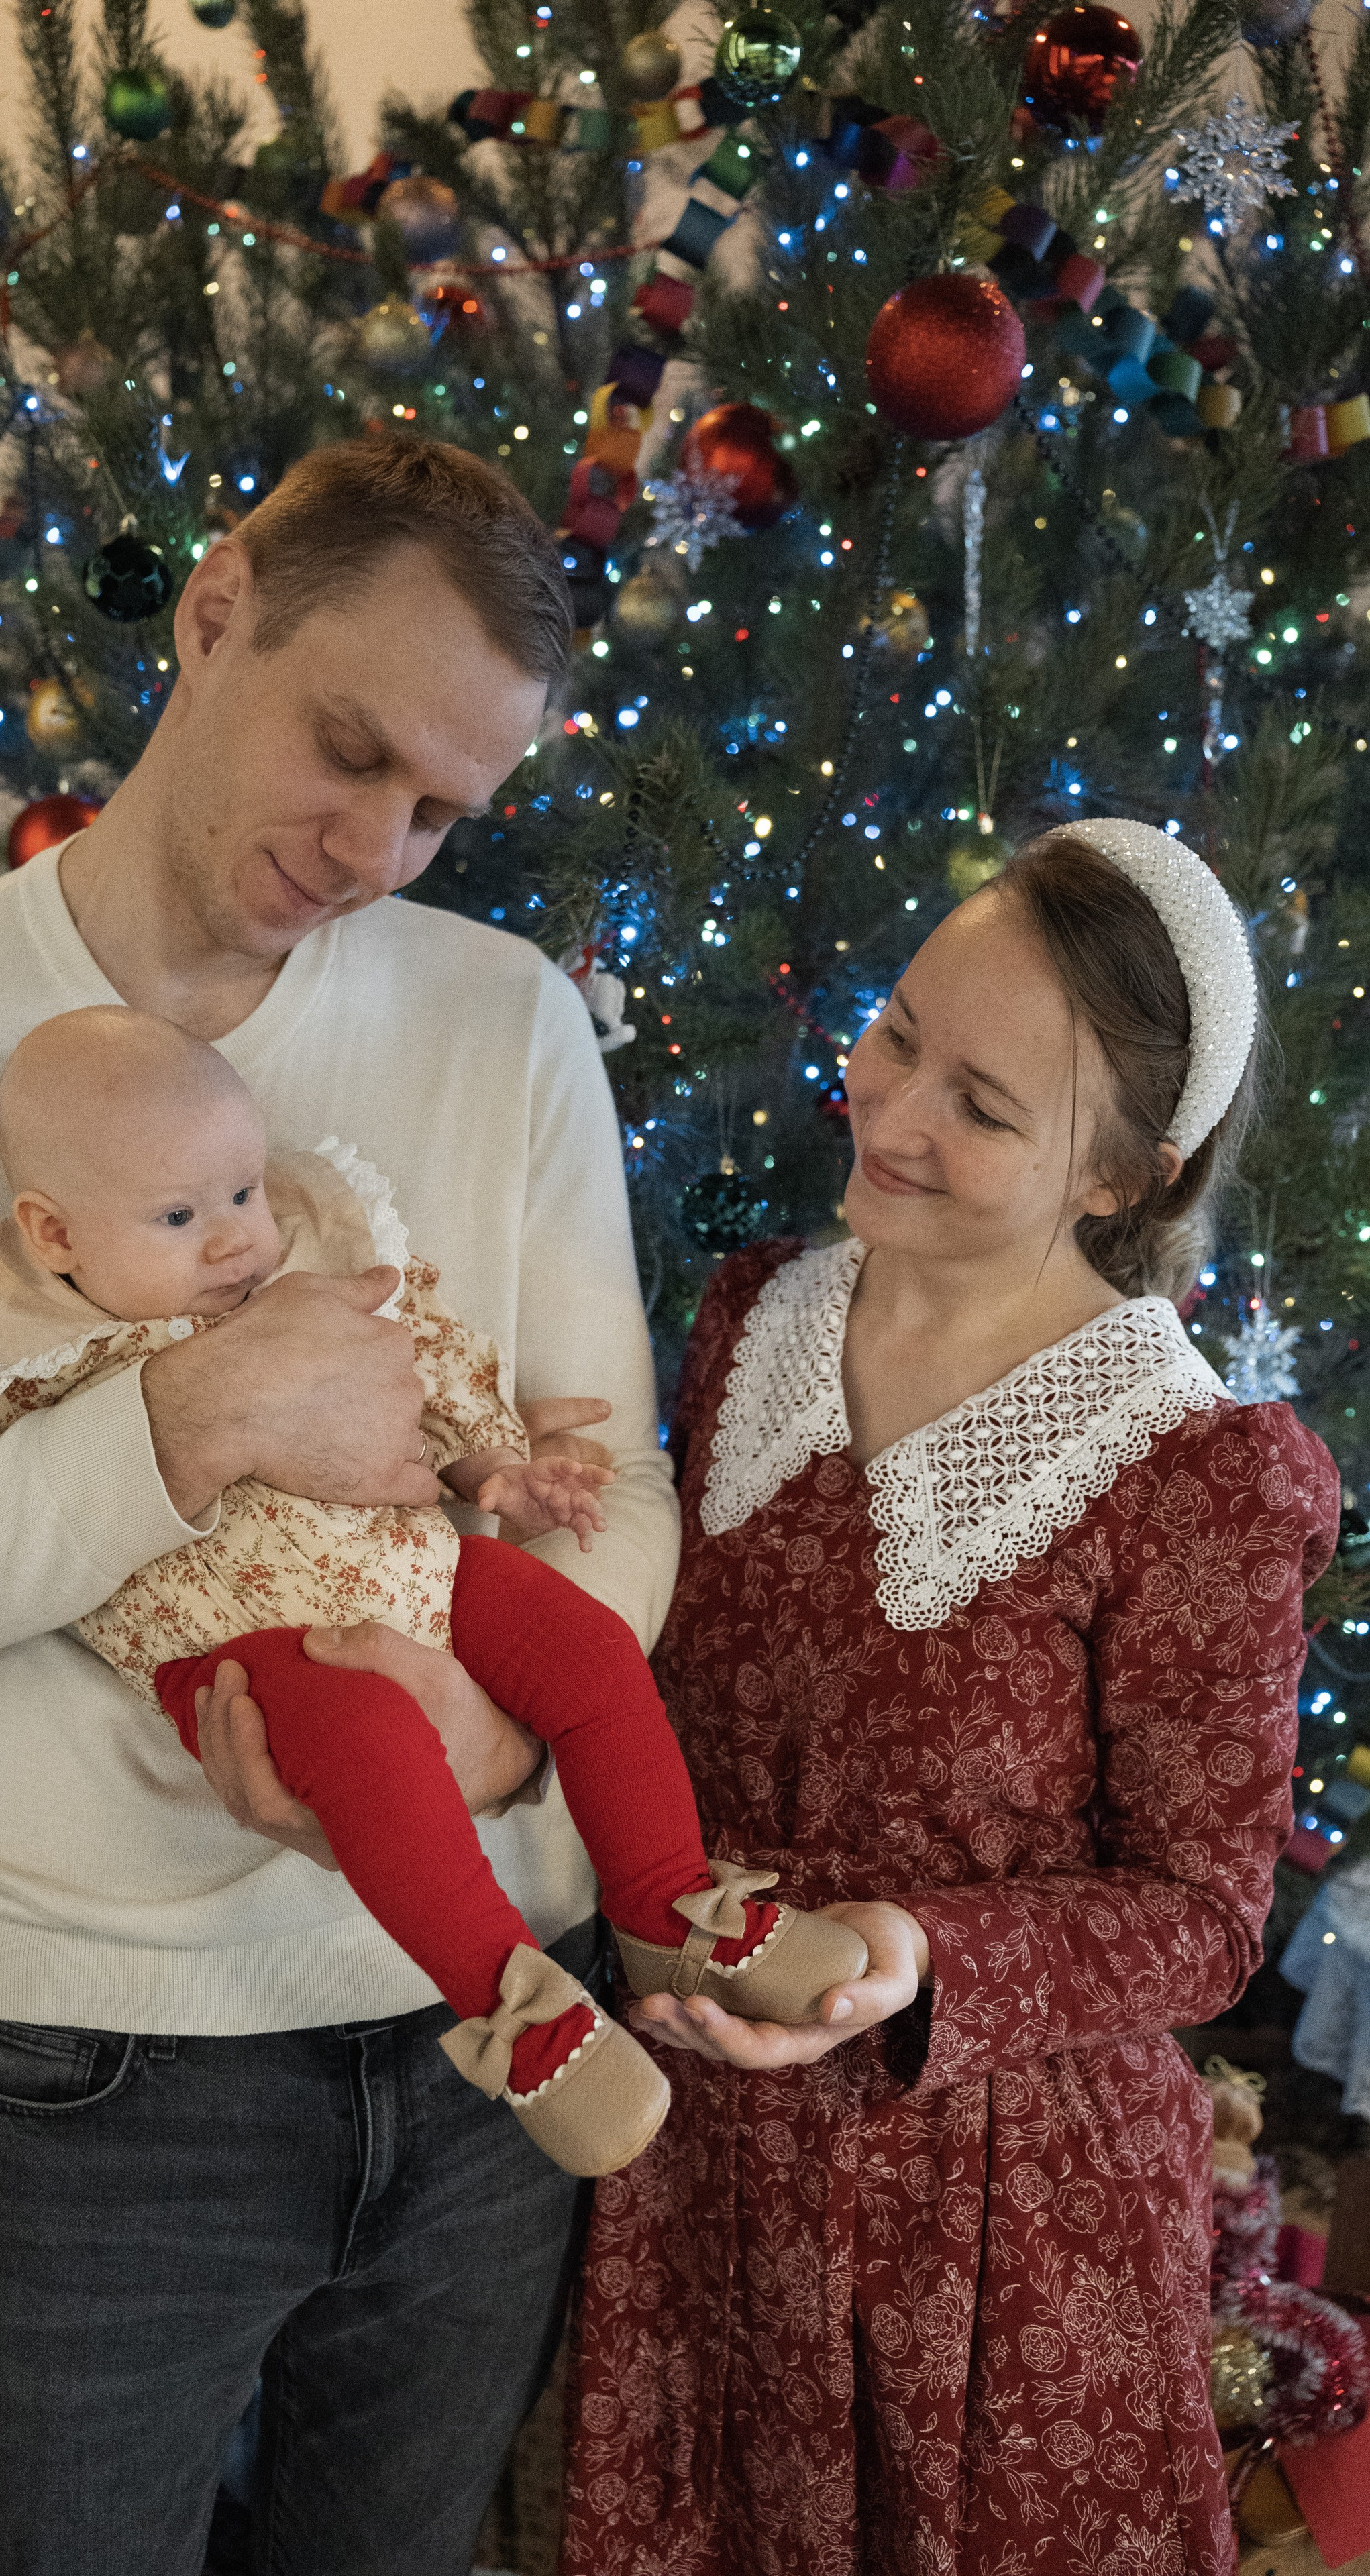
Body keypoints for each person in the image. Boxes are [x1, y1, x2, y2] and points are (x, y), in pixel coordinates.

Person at [0, 439, 682, 2576]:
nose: (372, 848)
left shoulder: (503, 1020)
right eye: (350, 749)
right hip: (97, 2076)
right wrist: (190, 1427)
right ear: (217, 606)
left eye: (441, 809)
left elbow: (615, 1478)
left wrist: (493, 1730)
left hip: (495, 2043)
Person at [560, 819, 1340, 2576]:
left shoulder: (1193, 1470)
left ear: (1127, 1178)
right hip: (705, 2168)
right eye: (899, 1031)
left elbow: (1207, 1918)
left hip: (996, 2230)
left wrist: (918, 1953)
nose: (893, 1115)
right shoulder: (751, 1315)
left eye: (984, 1109)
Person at [0, 1010, 866, 2176]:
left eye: (243, 1192)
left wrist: (498, 1468)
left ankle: (669, 1908)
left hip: (414, 1563)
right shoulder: (20, 1346)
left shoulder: (305, 1273)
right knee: (373, 1738)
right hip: (240, 1642)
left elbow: (423, 1380)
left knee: (586, 1648)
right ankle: (520, 2015)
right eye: (181, 1216)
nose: (235, 1236)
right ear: (53, 1233)